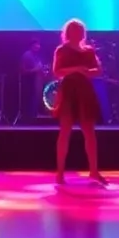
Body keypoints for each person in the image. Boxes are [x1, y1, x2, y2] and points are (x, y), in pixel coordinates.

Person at [51, 19, 108, 186]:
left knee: (89, 132)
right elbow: (57, 71)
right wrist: (76, 69)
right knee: (65, 132)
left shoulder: (89, 51)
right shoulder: (61, 50)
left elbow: (98, 70)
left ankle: (94, 171)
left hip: (84, 91)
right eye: (75, 29)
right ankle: (60, 173)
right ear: (69, 32)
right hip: (68, 91)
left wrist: (87, 72)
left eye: (80, 30)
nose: (79, 32)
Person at [19, 39, 48, 121]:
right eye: (36, 44)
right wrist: (35, 69)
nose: (38, 46)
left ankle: (34, 116)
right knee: (30, 100)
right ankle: (29, 119)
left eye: (39, 45)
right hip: (28, 82)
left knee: (34, 99)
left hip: (35, 82)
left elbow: (39, 68)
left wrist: (43, 70)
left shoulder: (36, 56)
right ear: (31, 45)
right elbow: (23, 70)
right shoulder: (27, 55)